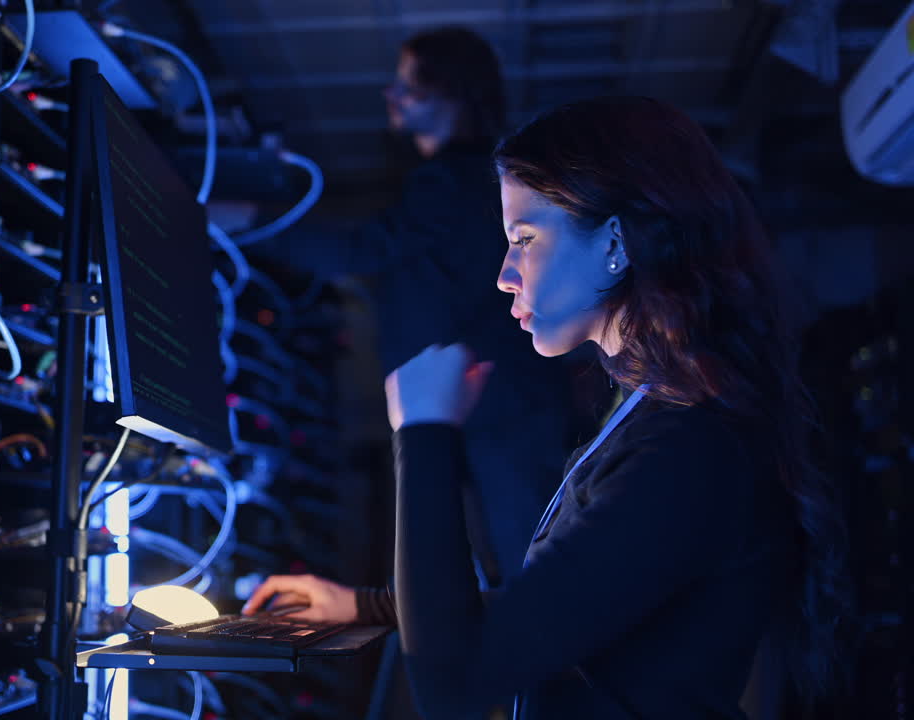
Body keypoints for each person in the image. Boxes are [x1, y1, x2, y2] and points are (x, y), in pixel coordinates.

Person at [246, 97, 851, 718]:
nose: (505, 274)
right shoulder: (658, 416)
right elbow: (560, 610)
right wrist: (366, 607)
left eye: (524, 239)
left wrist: (425, 433)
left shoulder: (688, 450)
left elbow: (451, 686)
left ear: (615, 241)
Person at [244, 26, 572, 602]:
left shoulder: (460, 179)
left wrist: (248, 223)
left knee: (530, 577)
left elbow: (363, 249)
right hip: (490, 409)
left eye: (410, 85)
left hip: (501, 412)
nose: (390, 96)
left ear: (456, 94)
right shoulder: (454, 179)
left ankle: (555, 688)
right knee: (505, 570)